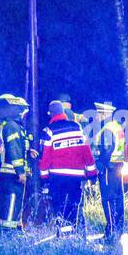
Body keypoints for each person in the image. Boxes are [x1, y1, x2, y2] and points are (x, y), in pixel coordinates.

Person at [39, 99, 96, 233]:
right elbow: (86, 152)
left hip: (57, 177)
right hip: (76, 177)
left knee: (59, 207)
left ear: (51, 114)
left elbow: (44, 158)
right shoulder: (77, 127)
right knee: (74, 206)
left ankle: (64, 235)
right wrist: (92, 174)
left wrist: (44, 179)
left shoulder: (49, 131)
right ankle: (74, 234)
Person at [92, 101, 128, 241]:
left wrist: (101, 164)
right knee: (118, 198)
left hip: (109, 168)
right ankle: (117, 229)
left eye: (98, 114)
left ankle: (111, 232)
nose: (96, 116)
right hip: (117, 166)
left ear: (103, 114)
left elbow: (107, 149)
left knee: (108, 199)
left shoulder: (106, 129)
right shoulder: (116, 127)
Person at [0, 93, 30, 232]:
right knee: (11, 203)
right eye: (22, 110)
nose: (23, 114)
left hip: (7, 175)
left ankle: (9, 231)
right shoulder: (12, 126)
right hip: (12, 175)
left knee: (9, 205)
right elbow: (14, 149)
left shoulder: (9, 125)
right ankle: (8, 234)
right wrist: (20, 171)